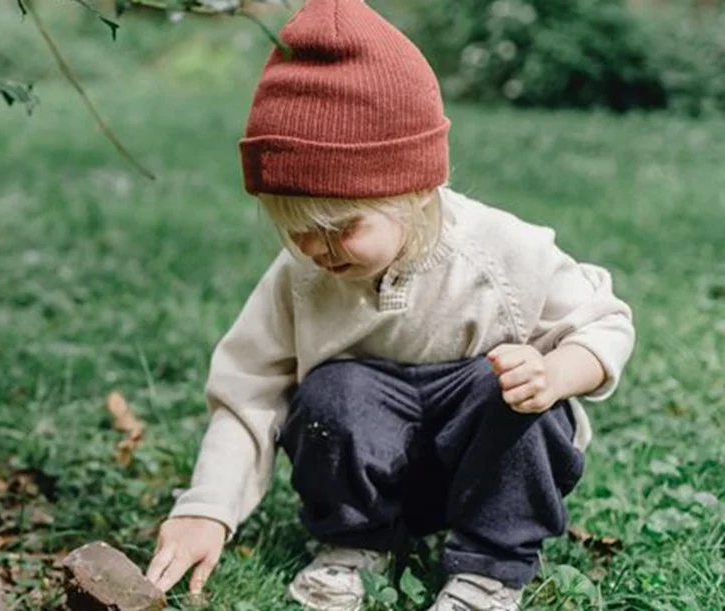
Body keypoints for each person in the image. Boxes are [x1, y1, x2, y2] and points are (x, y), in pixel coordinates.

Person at [144, 1, 636, 609]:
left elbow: (605, 321)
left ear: (413, 189)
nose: (320, 251)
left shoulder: (500, 251)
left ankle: (489, 567)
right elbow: (248, 392)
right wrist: (208, 509)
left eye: (342, 227)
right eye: (298, 230)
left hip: (479, 461)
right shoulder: (300, 277)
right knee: (334, 393)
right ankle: (355, 543)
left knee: (514, 393)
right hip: (372, 465)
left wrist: (560, 372)